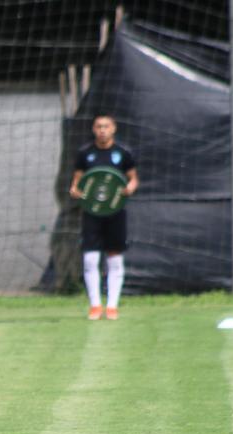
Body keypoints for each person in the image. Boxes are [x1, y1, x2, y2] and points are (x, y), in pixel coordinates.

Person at [69, 113, 139, 320]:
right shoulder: (85, 153)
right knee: (91, 259)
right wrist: (75, 191)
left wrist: (129, 188)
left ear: (113, 128)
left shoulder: (123, 153)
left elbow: (133, 179)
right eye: (98, 126)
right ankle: (95, 305)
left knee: (114, 258)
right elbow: (77, 183)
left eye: (106, 126)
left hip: (115, 212)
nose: (102, 130)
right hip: (92, 213)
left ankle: (112, 306)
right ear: (93, 129)